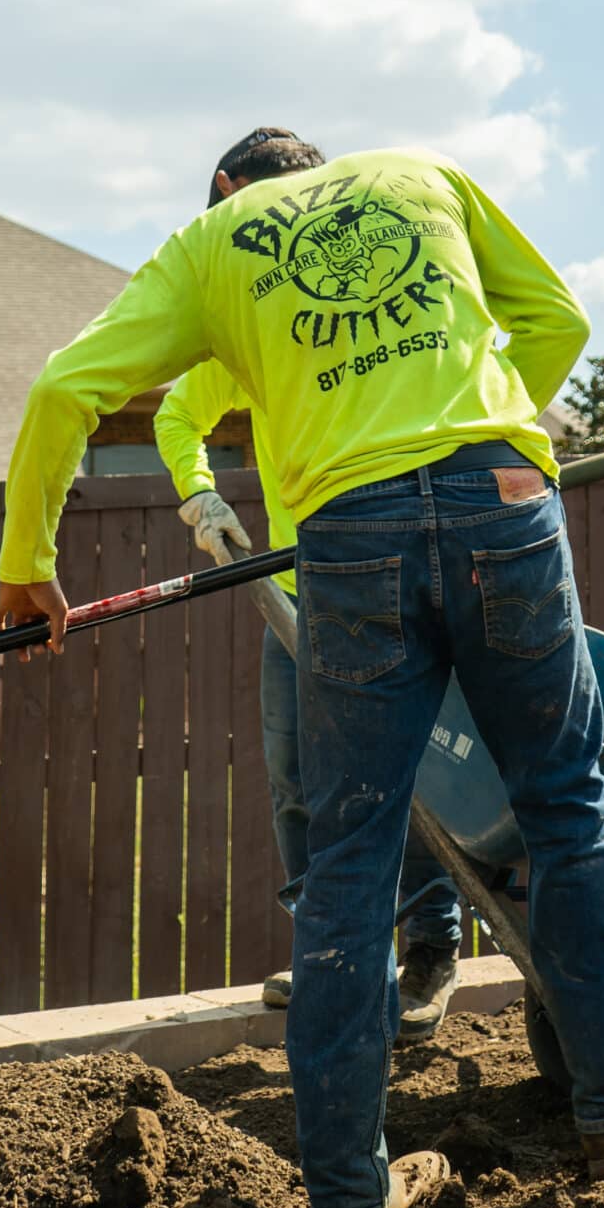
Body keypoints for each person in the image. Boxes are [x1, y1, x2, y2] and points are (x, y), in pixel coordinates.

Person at [0, 140, 604, 1208]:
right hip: (501, 493)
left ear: (222, 193)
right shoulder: (421, 175)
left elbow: (67, 385)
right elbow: (558, 320)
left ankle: (350, 1198)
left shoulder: (214, 245)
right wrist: (473, 446)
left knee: (350, 854)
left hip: (348, 537)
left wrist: (28, 558)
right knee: (564, 799)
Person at [154, 130, 464, 1036]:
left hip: (400, 574)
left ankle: (430, 951)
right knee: (297, 779)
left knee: (417, 779)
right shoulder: (261, 318)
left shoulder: (365, 301)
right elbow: (179, 411)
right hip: (301, 590)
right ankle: (331, 956)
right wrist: (202, 498)